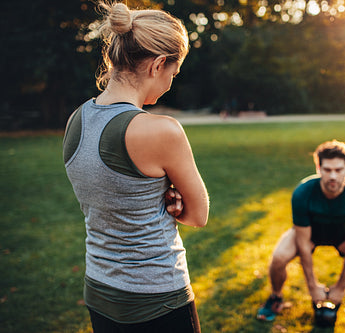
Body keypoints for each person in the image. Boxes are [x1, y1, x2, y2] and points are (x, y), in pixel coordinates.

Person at [63, 2, 209, 332]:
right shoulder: (162, 131)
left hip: (99, 290)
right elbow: (198, 216)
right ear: (158, 64)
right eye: (174, 72)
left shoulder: (77, 120)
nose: (172, 82)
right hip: (157, 297)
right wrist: (176, 203)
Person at [257, 140, 345, 332]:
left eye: (339, 170)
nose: (333, 176)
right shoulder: (302, 192)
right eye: (327, 169)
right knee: (279, 257)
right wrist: (312, 285)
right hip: (311, 234)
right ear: (318, 168)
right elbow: (302, 242)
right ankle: (275, 297)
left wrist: (341, 286)